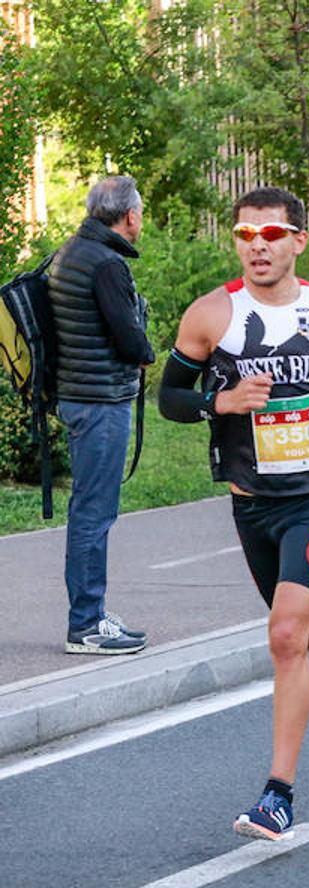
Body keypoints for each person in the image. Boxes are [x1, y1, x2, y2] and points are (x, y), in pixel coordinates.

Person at [158, 186, 309, 840]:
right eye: (244, 235)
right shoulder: (212, 316)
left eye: (270, 235)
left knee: (286, 635)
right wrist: (220, 404)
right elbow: (170, 397)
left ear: (298, 240)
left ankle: (277, 796)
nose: (256, 247)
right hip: (252, 503)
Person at [49, 176, 154, 655]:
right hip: (101, 400)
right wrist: (147, 351)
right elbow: (130, 340)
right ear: (129, 215)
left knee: (87, 511)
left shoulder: (71, 252)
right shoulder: (107, 265)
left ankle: (89, 615)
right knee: (94, 513)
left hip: (77, 394)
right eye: (141, 212)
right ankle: (86, 625)